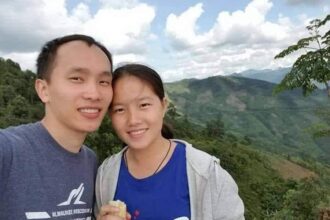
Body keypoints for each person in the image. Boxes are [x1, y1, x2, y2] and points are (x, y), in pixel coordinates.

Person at [95, 64, 245, 220]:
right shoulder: (105, 176)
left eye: (144, 105)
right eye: (119, 109)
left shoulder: (207, 175)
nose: (133, 120)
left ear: (163, 105)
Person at [0, 34, 113, 219]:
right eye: (77, 78)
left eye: (104, 82)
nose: (94, 94)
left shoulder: (90, 162)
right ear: (43, 90)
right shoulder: (9, 151)